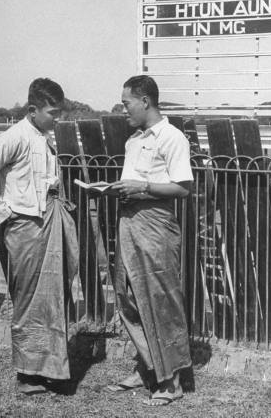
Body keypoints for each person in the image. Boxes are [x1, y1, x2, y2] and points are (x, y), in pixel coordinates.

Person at [0, 78, 79, 395]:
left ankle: (52, 370)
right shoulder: (13, 137)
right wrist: (5, 214)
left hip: (48, 220)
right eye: (52, 112)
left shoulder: (43, 137)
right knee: (29, 299)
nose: (56, 119)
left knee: (53, 296)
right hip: (25, 226)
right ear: (33, 109)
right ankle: (28, 374)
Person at [108, 75, 193, 407]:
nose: (123, 108)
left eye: (127, 102)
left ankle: (171, 382)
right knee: (127, 297)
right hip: (129, 224)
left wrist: (142, 187)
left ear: (145, 101)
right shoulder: (134, 140)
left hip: (156, 227)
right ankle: (148, 368)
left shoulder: (172, 138)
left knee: (160, 301)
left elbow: (184, 188)